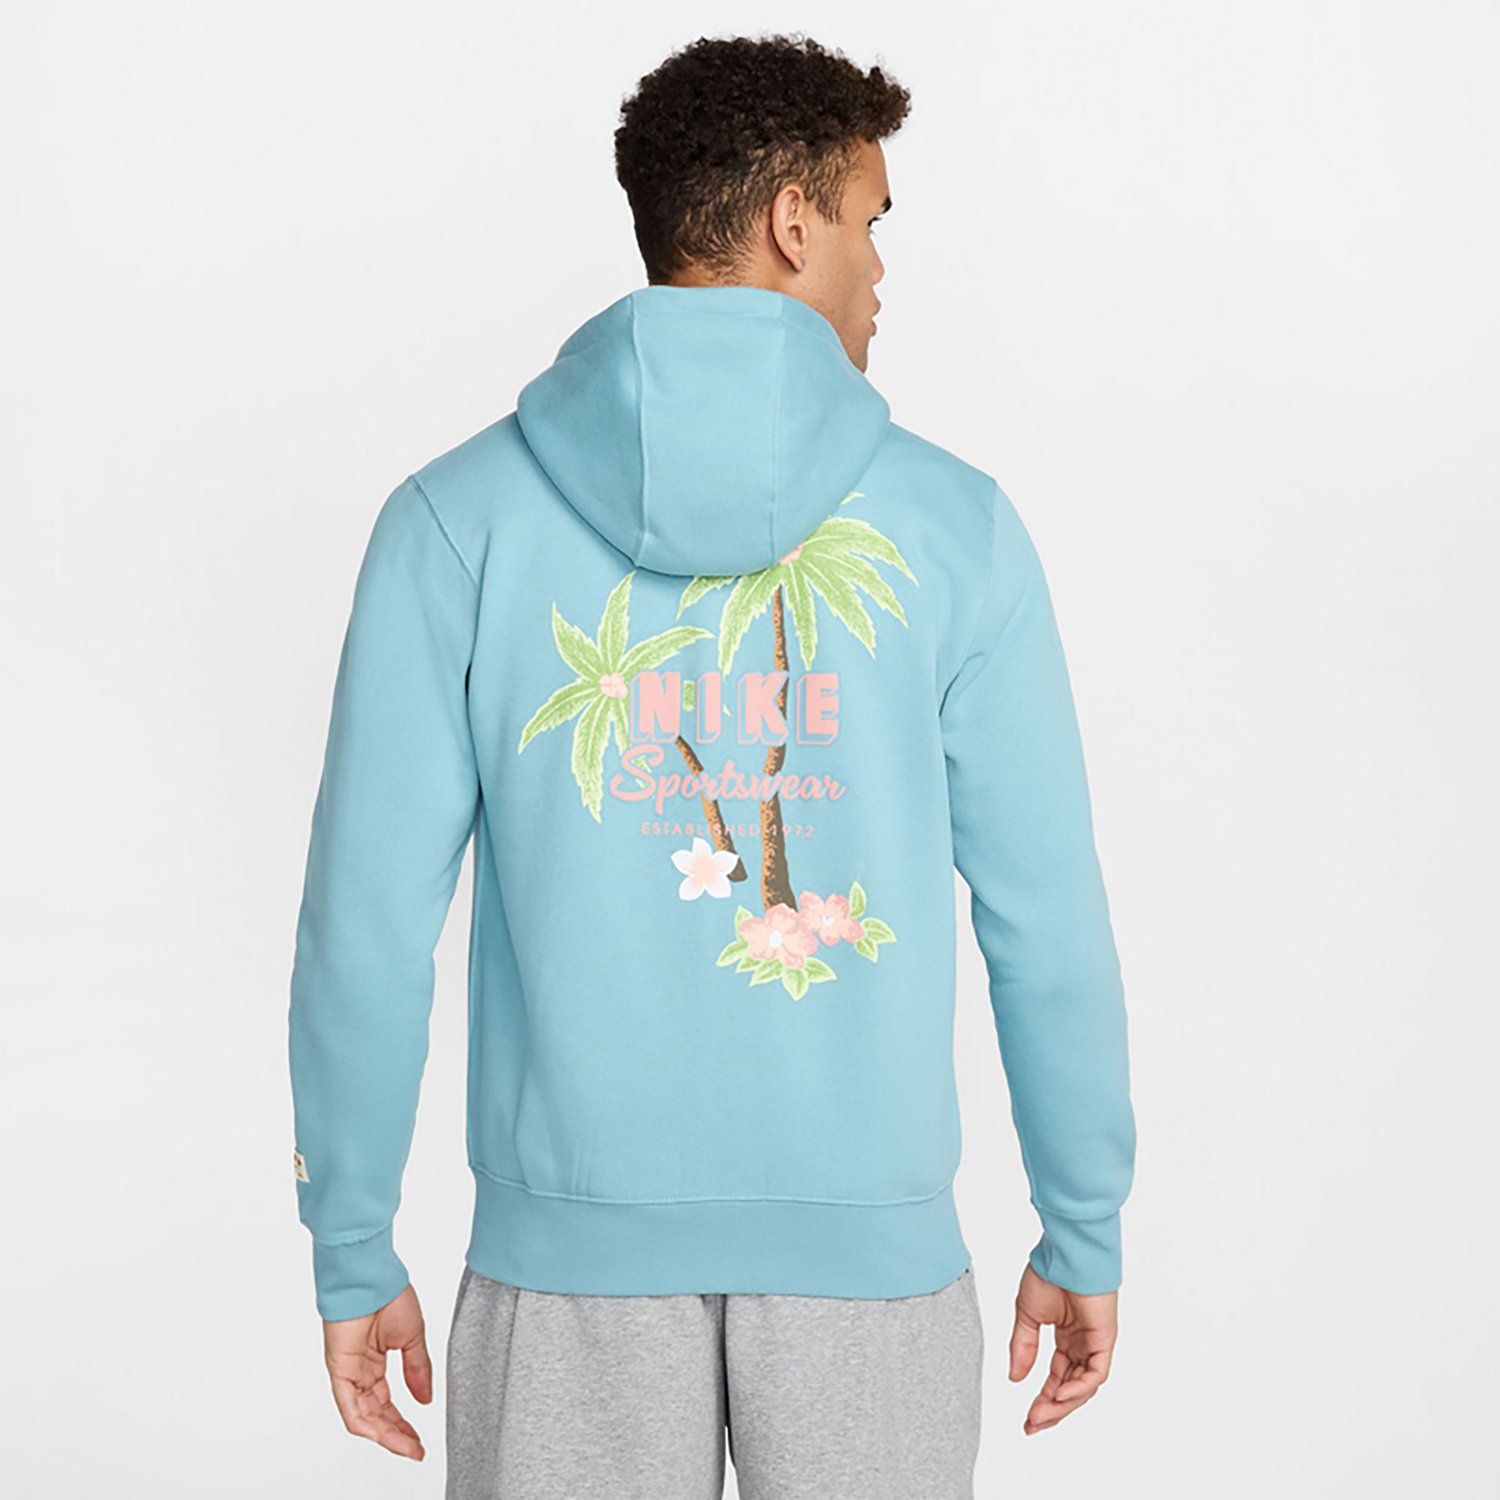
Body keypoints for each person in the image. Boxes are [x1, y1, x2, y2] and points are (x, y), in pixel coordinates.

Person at [287, 32, 1136, 1499]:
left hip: (564, 1270)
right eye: (869, 218)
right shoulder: (957, 532)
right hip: (871, 1273)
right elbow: (1046, 923)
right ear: (793, 220)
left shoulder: (455, 522)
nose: (881, 267)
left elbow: (362, 927)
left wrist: (352, 1241)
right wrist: (1083, 1224)